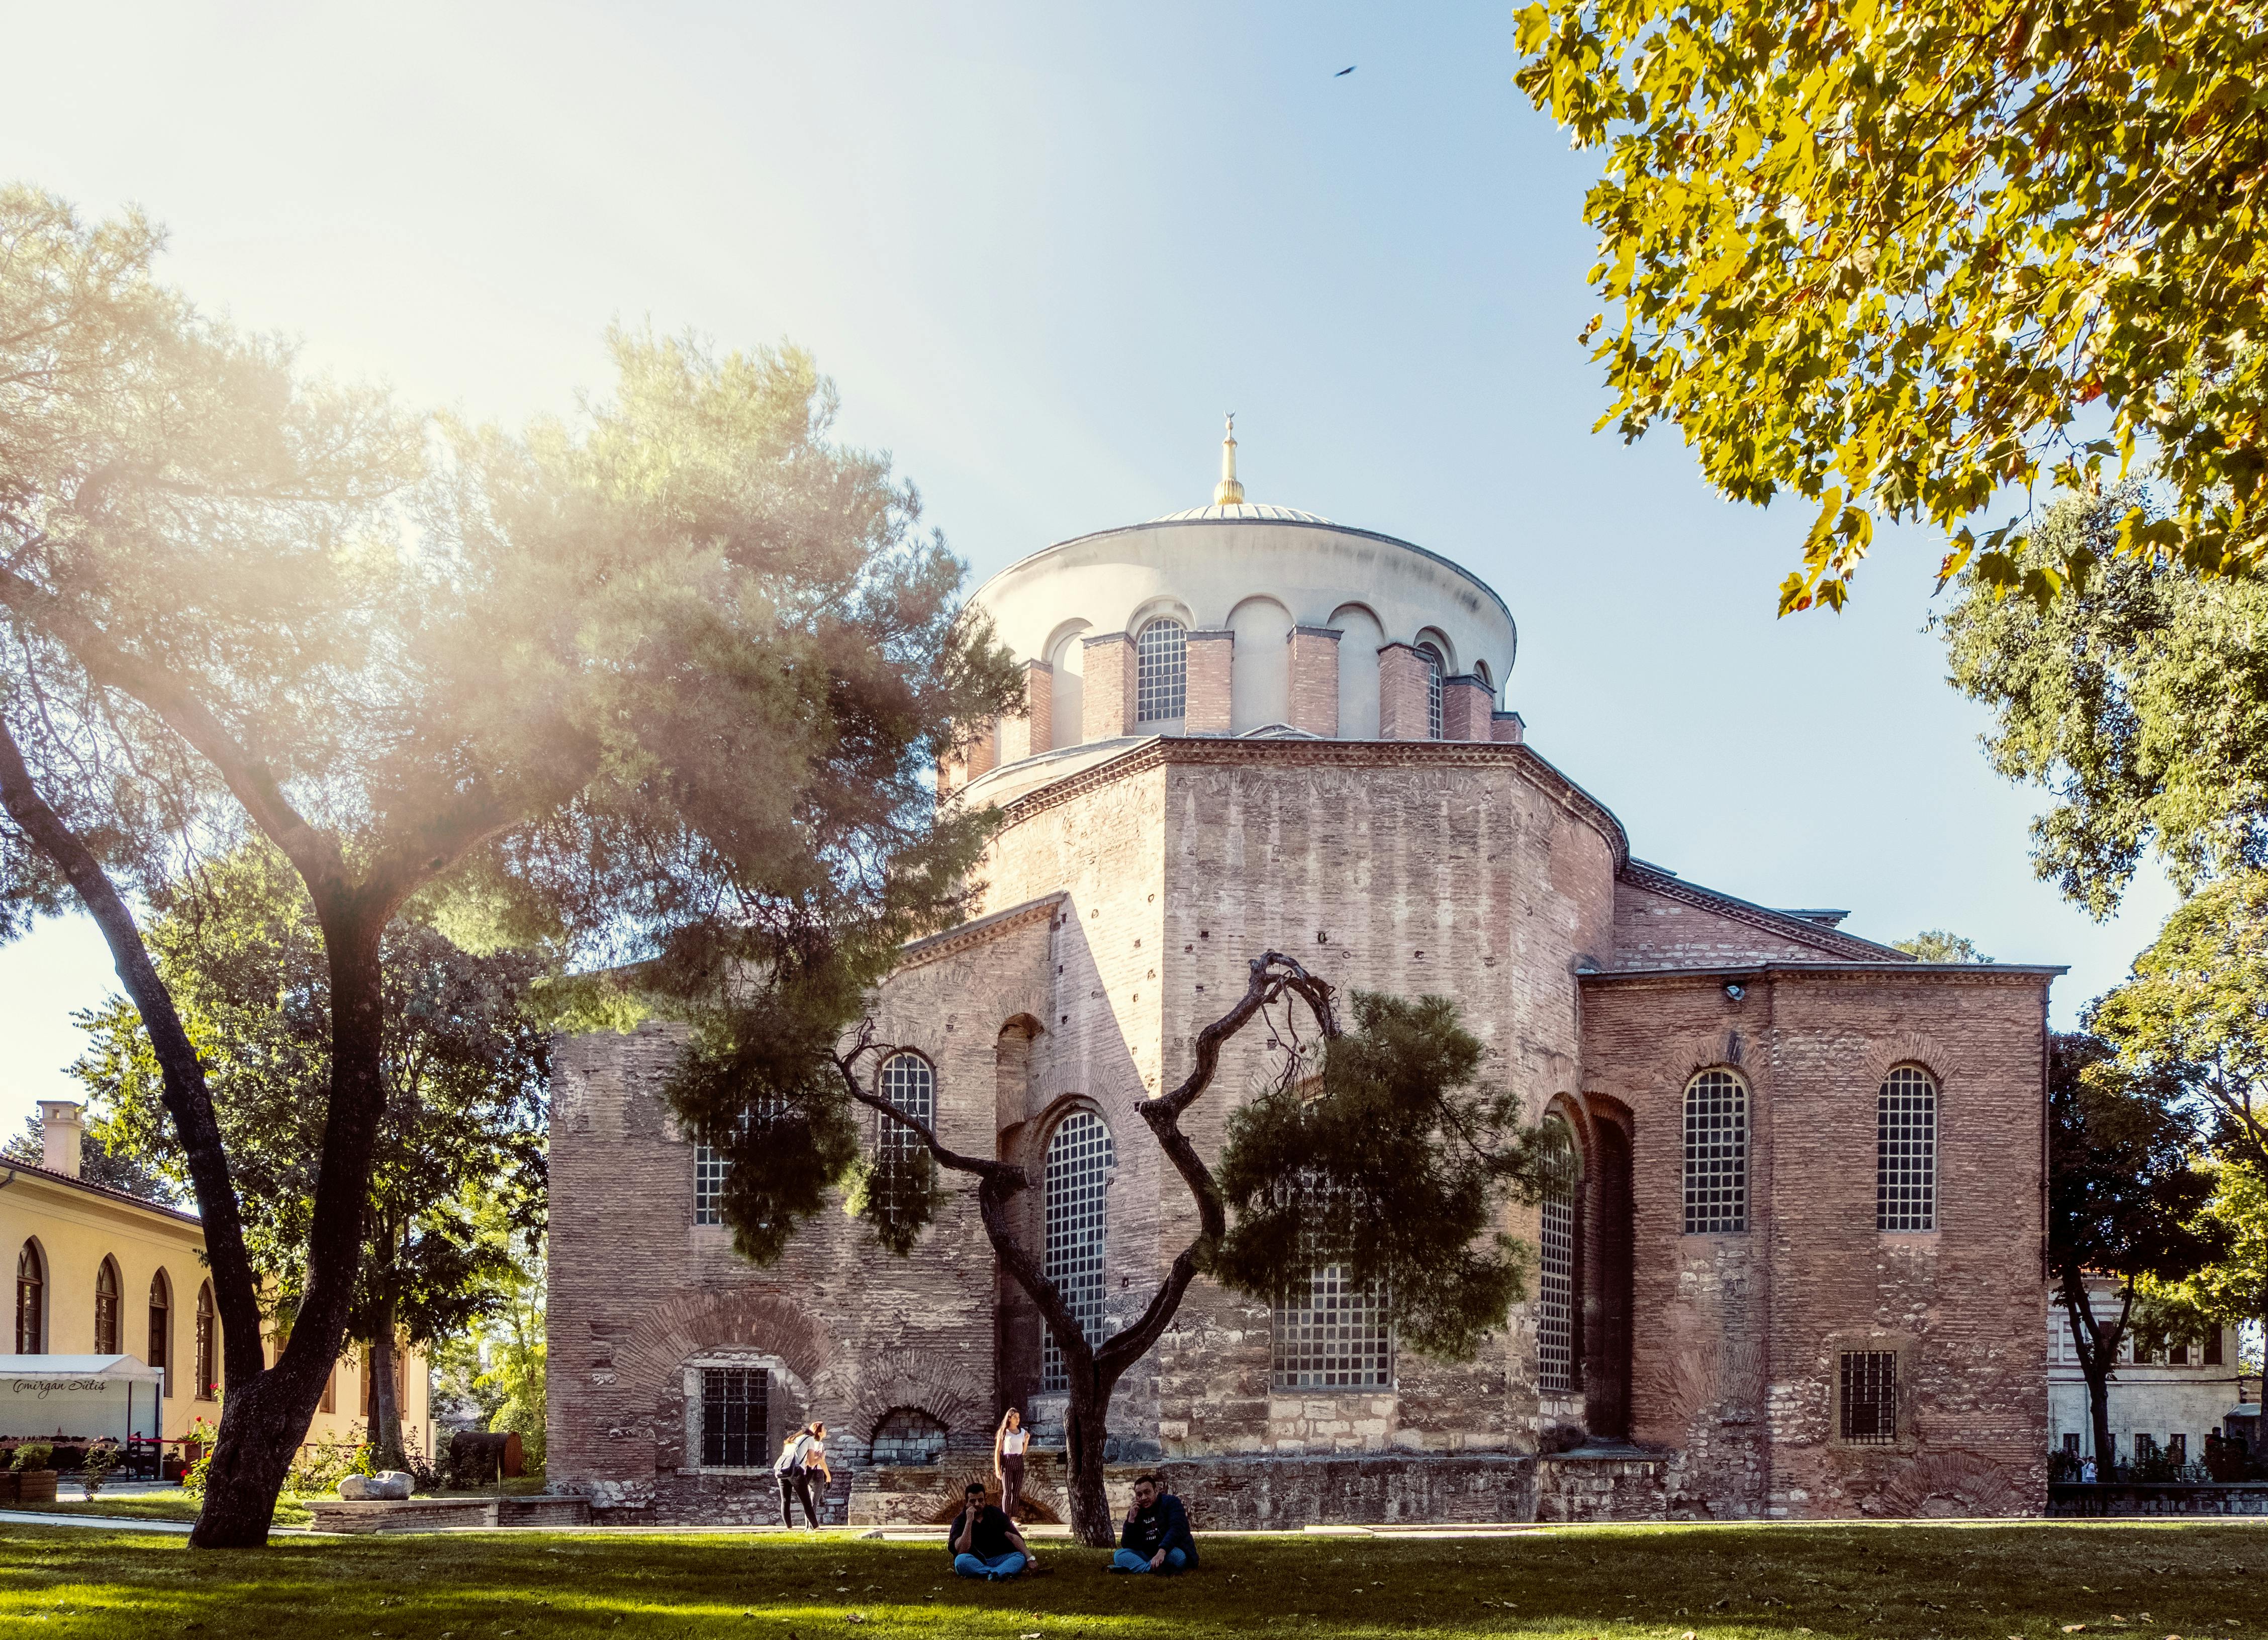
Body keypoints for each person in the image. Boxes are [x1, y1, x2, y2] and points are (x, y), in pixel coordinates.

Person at [1110, 1472, 1197, 1574]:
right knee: (1119, 1555)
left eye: (1147, 1492)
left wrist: (1162, 1551)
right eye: (1139, 1495)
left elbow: (1176, 1529)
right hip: (1148, 1553)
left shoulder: (1171, 1502)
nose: (1143, 1498)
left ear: (1156, 1491)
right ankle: (1153, 1569)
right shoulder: (1136, 1511)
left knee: (1178, 1557)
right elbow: (1127, 1545)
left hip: (1169, 1551)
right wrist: (1131, 1519)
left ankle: (1142, 1566)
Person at [949, 1480, 1035, 1579]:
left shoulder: (995, 1513)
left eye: (981, 1500)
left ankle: (991, 1573)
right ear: (966, 1503)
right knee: (960, 1561)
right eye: (973, 1501)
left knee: (1020, 1558)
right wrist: (969, 1521)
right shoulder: (959, 1521)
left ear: (985, 1500)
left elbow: (1012, 1536)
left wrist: (1030, 1558)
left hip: (1000, 1557)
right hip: (976, 1560)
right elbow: (962, 1550)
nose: (977, 1504)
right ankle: (997, 1573)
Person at [774, 1422, 830, 1529]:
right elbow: (811, 1462)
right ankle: (816, 1528)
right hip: (796, 1472)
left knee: (785, 1500)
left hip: (782, 1471)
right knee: (807, 1502)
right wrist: (821, 1458)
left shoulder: (791, 1440)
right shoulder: (810, 1440)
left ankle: (789, 1529)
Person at [993, 1408, 1030, 1521]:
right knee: (1008, 1491)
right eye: (1015, 1417)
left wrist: (1027, 1441)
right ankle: (1006, 1518)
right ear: (1009, 1418)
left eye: (1018, 1418)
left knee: (1016, 1491)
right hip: (1008, 1461)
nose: (1017, 1420)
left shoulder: (1023, 1432)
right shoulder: (1004, 1432)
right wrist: (997, 1468)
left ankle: (1014, 1517)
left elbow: (1023, 1452)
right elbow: (998, 1451)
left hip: (1019, 1460)